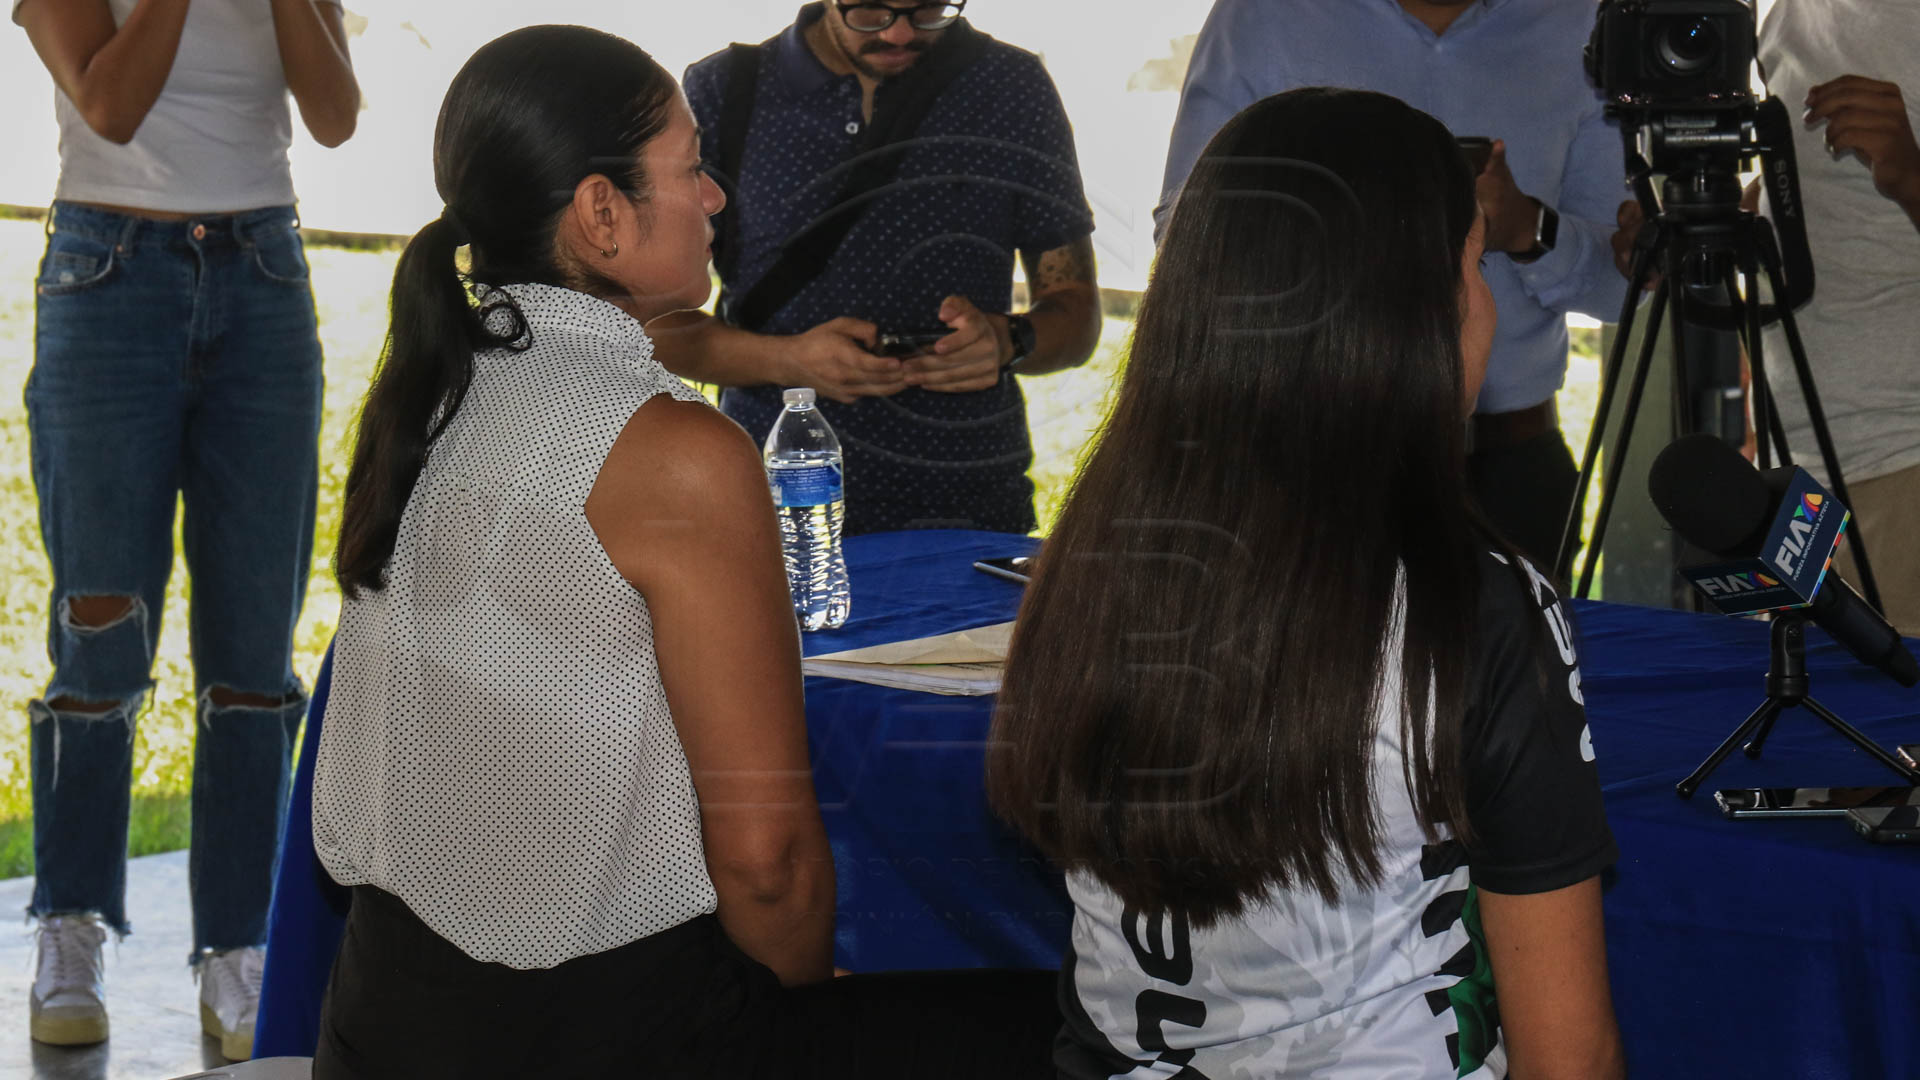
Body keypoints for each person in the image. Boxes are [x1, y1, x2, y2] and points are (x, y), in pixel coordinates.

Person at [309, 26, 1056, 1078]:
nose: (716, 199)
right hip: (588, 1035)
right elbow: (769, 868)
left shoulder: (431, 394)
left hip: (381, 1018)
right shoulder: (674, 450)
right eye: (693, 167)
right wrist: (799, 1020)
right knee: (1072, 1025)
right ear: (600, 214)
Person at [990, 88, 1626, 1078]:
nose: (1486, 301)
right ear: (1401, 320)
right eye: (1474, 265)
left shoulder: (1091, 554)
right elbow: (1569, 1054)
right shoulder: (1474, 606)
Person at [15, 0, 358, 1059]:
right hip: (108, 273)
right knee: (99, 628)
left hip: (261, 277)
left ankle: (235, 948)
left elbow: (337, 116)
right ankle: (72, 925)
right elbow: (111, 105)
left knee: (254, 651)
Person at [1156, 0, 1636, 568]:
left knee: (1518, 656)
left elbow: (1621, 288)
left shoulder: (1581, 21)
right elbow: (1185, 235)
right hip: (1303, 449)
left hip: (1509, 462)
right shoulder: (1265, 14)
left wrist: (1529, 228)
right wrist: (1349, 226)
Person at [656, 0, 1103, 536]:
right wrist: (788, 360)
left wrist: (1010, 340)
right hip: (774, 511)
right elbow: (654, 331)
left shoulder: (1012, 87)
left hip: (969, 511)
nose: (899, 33)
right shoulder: (723, 89)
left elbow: (1078, 318)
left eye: (931, 10)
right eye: (870, 12)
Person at [1753, 0, 1920, 633]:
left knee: (1893, 729)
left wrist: (1911, 174)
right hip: (1796, 473)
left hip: (1901, 461)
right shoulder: (1784, 12)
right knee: (1809, 726)